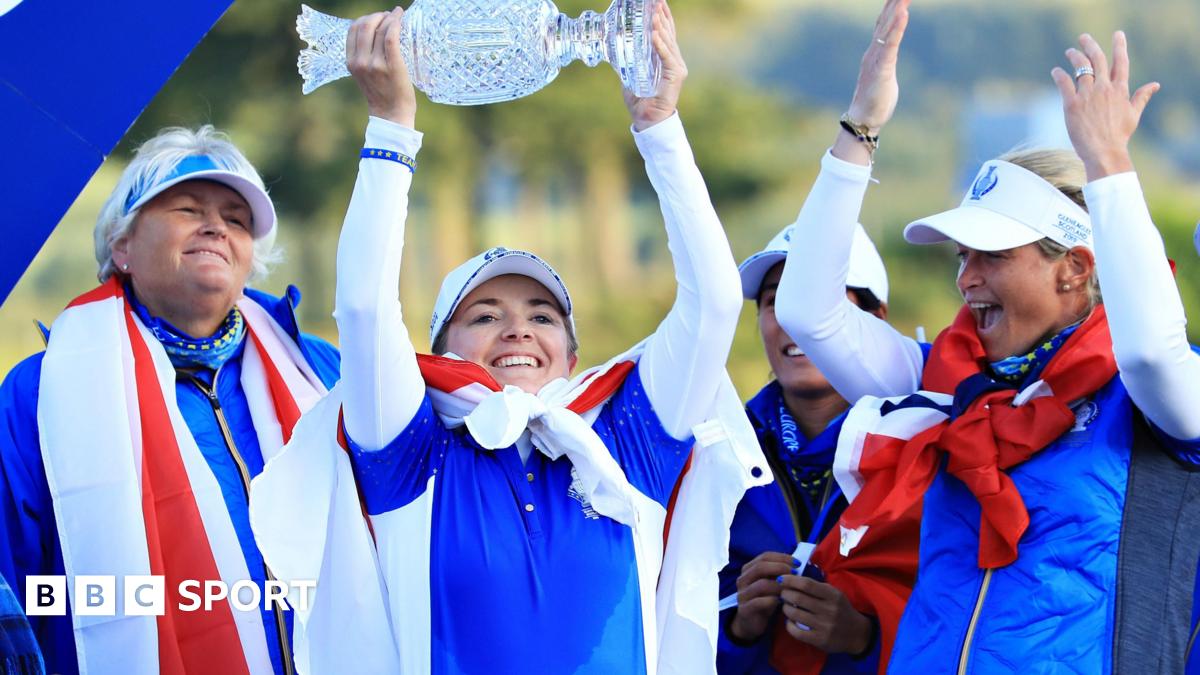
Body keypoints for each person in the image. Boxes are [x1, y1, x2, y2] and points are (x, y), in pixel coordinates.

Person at [250, 4, 766, 674]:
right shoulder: (410, 450)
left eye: (543, 316)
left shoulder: (625, 446)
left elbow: (717, 301)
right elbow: (365, 309)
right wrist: (391, 126)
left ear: (572, 356)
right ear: (440, 348)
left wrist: (658, 125)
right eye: (486, 315)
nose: (518, 326)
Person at [775, 0, 1200, 670]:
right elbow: (808, 310)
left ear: (1074, 268)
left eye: (992, 256)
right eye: (961, 256)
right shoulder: (947, 384)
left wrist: (1108, 160)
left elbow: (1148, 348)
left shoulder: (1157, 396)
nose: (965, 278)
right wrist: (861, 127)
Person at [0, 125, 340, 674]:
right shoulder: (42, 391)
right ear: (122, 246)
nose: (216, 226)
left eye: (236, 220)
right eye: (187, 209)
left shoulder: (319, 369)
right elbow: (11, 588)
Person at [719, 225, 919, 675]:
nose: (795, 319)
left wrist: (864, 639)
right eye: (775, 301)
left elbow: (964, 616)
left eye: (819, 301)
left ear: (876, 320)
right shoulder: (718, 451)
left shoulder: (928, 444)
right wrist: (739, 628)